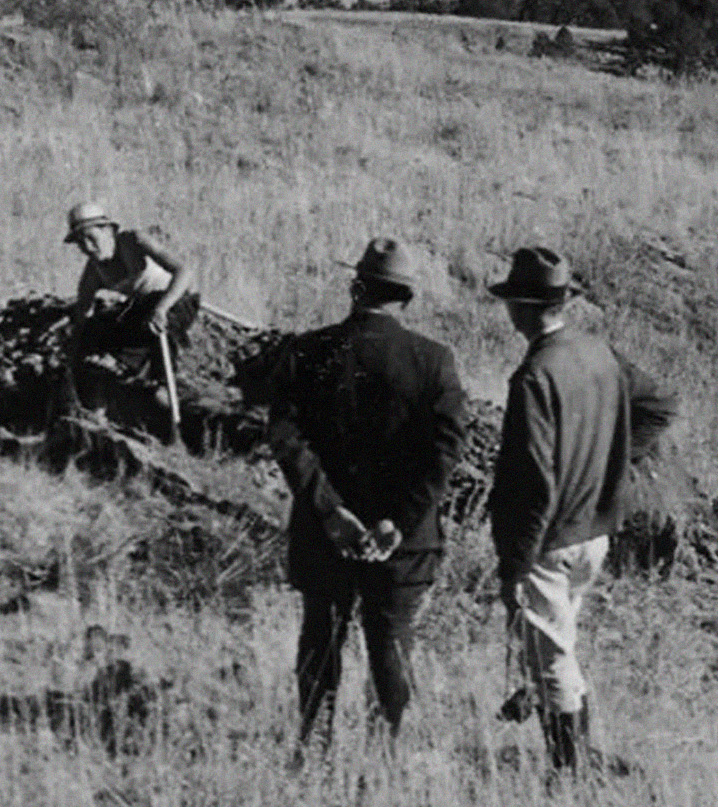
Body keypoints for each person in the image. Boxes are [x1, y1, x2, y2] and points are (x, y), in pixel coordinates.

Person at [265, 239, 473, 750]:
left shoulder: (307, 352)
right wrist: (396, 521)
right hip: (402, 540)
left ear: (356, 288)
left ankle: (314, 749)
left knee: (320, 639)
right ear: (407, 299)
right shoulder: (433, 361)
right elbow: (445, 450)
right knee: (391, 646)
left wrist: (331, 511)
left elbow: (287, 440)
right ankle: (386, 757)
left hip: (324, 531)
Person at [486, 246, 677, 772]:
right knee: (560, 649)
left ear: (522, 309)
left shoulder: (534, 377)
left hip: (550, 539)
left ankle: (569, 771)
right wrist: (613, 463)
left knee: (550, 661)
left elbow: (533, 483)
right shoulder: (600, 353)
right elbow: (660, 404)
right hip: (595, 530)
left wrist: (514, 563)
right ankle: (580, 758)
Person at [64, 201, 199, 385]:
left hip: (176, 299)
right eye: (80, 242)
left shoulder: (134, 241)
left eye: (91, 238)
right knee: (101, 325)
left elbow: (184, 271)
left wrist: (162, 308)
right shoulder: (94, 271)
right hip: (142, 305)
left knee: (151, 323)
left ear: (108, 231)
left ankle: (161, 380)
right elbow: (83, 308)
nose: (87, 247)